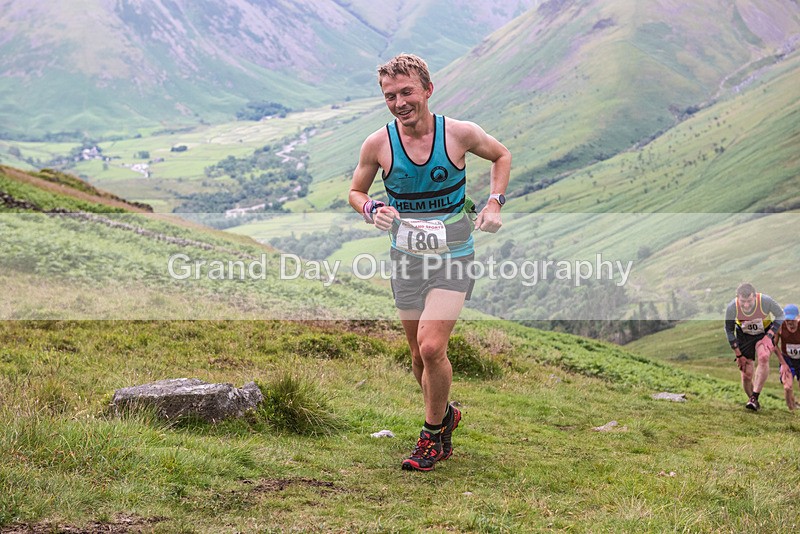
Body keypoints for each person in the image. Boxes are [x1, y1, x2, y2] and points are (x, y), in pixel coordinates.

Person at [348, 53, 511, 471]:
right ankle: (446, 414)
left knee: (432, 346)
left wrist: (494, 203)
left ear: (427, 90)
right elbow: (356, 192)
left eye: (407, 92)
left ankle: (431, 437)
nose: (399, 103)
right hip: (406, 259)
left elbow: (501, 155)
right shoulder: (378, 144)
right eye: (390, 96)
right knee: (419, 360)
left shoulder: (458, 134)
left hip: (453, 255)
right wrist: (371, 209)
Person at [724, 283, 785, 411]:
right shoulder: (732, 307)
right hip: (744, 336)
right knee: (746, 375)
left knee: (763, 357)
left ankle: (754, 397)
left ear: (755, 297)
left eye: (749, 301)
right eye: (743, 302)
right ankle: (753, 401)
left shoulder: (765, 301)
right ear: (737, 298)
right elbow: (729, 330)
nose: (746, 305)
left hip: (764, 334)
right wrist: (738, 355)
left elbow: (781, 315)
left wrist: (770, 334)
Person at [776, 304, 800, 410]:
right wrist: (783, 363)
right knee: (787, 387)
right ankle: (791, 409)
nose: (790, 323)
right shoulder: (780, 326)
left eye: (793, 320)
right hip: (787, 360)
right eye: (787, 320)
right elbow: (773, 345)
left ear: (798, 317)